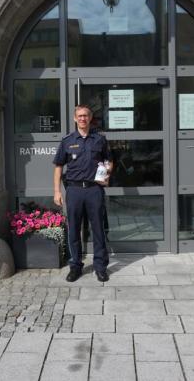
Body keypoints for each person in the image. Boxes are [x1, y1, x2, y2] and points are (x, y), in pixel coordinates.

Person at [53, 105, 113, 282]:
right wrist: (57, 191)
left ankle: (100, 267)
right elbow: (58, 167)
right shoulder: (67, 141)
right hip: (74, 190)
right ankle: (75, 266)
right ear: (74, 118)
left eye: (85, 115)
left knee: (98, 230)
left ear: (90, 118)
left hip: (95, 190)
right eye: (79, 116)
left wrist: (107, 175)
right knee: (74, 230)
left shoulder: (99, 140)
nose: (82, 119)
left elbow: (108, 160)